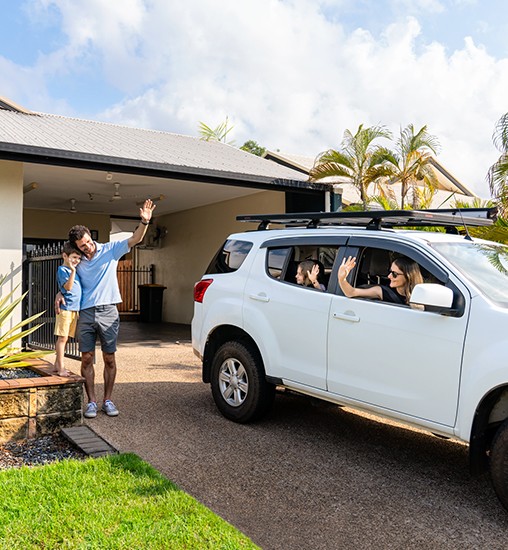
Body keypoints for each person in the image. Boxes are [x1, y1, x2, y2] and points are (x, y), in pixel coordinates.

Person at [55, 199, 156, 419]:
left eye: (89, 242)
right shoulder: (77, 261)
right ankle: (91, 401)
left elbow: (136, 238)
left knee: (109, 358)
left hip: (109, 311)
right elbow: (68, 279)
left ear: (91, 237)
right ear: (77, 247)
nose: (88, 247)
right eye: (82, 246)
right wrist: (61, 292)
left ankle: (107, 400)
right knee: (87, 358)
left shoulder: (110, 250)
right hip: (86, 313)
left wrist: (144, 222)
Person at [337, 255, 423, 306]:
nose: (389, 276)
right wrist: (342, 279)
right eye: (390, 272)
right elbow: (351, 292)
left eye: (394, 274)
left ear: (408, 276)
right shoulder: (383, 291)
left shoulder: (424, 295)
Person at [53, 241, 82, 377]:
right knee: (62, 338)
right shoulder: (63, 270)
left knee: (66, 338)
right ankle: (61, 368)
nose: (76, 260)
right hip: (65, 308)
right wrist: (73, 271)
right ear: (65, 256)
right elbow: (68, 287)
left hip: (73, 309)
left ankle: (56, 364)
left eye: (78, 258)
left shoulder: (73, 271)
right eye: (74, 257)